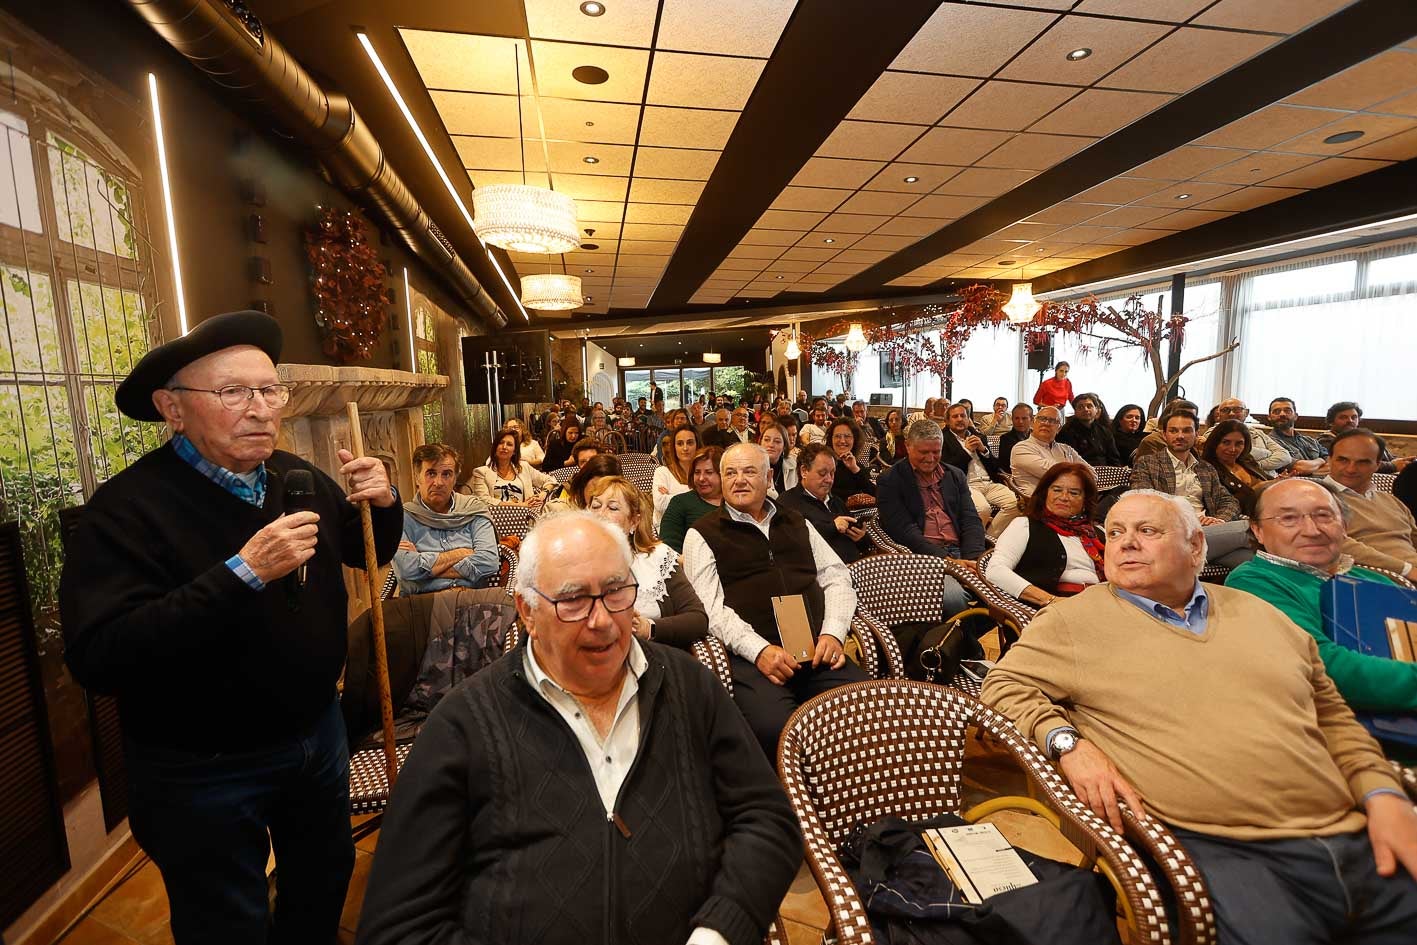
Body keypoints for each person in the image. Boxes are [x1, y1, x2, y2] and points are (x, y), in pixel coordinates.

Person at [61, 310, 402, 944]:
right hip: (200, 766)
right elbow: (100, 653)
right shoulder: (125, 509)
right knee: (226, 919)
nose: (261, 409)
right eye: (233, 392)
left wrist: (383, 503)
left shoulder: (295, 477)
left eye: (270, 390)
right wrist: (242, 573)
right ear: (172, 408)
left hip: (314, 736)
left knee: (322, 880)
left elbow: (369, 550)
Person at [982, 490, 1417, 945]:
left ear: (1195, 547)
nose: (1126, 543)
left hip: (1354, 830)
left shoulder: (1260, 614)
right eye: (1114, 533)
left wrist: (1382, 792)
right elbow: (1003, 687)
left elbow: (1332, 716)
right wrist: (1068, 743)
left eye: (1147, 531)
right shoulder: (1071, 622)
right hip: (1224, 849)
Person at [355, 512, 800, 945]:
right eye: (572, 600)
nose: (602, 619)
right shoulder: (463, 725)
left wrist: (720, 930)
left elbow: (767, 819)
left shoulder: (688, 688)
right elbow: (399, 925)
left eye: (616, 592)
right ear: (526, 611)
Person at [682, 443, 869, 756]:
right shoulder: (702, 534)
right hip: (753, 659)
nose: (739, 479)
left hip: (816, 650)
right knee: (776, 729)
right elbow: (711, 610)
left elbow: (837, 577)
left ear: (769, 477)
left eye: (749, 471)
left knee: (861, 707)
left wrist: (833, 633)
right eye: (730, 473)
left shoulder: (796, 521)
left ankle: (850, 794)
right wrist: (760, 651)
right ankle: (789, 799)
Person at [1226, 478, 1417, 752]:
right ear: (1258, 531)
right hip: (1354, 743)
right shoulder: (1255, 581)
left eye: (1324, 516)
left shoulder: (1373, 580)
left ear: (1345, 527)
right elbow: (1323, 666)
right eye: (1289, 519)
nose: (1312, 530)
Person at [584, 477, 708, 648]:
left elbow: (698, 619)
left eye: (612, 507)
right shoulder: (570, 562)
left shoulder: (658, 558)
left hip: (652, 658)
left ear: (634, 522)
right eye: (595, 506)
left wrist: (649, 628)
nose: (600, 514)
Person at [1129, 411, 1252, 567]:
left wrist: (1220, 520)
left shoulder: (1205, 468)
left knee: (1251, 559)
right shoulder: (1148, 463)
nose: (1180, 436)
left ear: (1196, 434)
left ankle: (1201, 579)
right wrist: (1190, 519)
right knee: (1250, 529)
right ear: (1164, 434)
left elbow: (1229, 500)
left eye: (1187, 430)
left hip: (1206, 533)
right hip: (1171, 533)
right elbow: (1144, 501)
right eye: (1174, 431)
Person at [876, 419, 986, 585]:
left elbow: (970, 519)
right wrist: (949, 563)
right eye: (923, 452)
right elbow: (905, 531)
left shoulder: (955, 475)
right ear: (908, 446)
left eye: (936, 452)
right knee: (954, 598)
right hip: (921, 556)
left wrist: (974, 559)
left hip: (961, 550)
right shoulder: (890, 480)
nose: (930, 458)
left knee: (1004, 584)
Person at [985, 463, 1104, 608]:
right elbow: (995, 571)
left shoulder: (1096, 534)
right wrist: (1049, 600)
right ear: (1045, 493)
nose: (1064, 497)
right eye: (1057, 490)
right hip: (1053, 610)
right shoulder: (1025, 526)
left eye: (1074, 493)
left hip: (1101, 604)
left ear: (1085, 501)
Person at [396, 444, 500, 594]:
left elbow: (489, 562)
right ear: (417, 477)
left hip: (471, 602)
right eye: (431, 473)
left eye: (446, 474)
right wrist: (461, 553)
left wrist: (423, 565)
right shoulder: (402, 518)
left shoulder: (473, 510)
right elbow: (406, 569)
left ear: (455, 478)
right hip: (424, 605)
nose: (438, 483)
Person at [1325, 429, 1417, 577]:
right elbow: (1332, 542)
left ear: (1377, 465)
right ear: (1329, 460)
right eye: (1343, 460)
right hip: (1377, 579)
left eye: (1363, 462)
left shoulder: (1391, 501)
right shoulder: (1318, 497)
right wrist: (1405, 569)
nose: (1351, 469)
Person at [780, 442, 868, 565]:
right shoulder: (788, 502)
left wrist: (860, 537)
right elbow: (793, 541)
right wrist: (832, 527)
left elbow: (863, 546)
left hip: (856, 568)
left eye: (832, 473)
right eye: (822, 473)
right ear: (804, 471)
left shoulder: (836, 501)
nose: (829, 479)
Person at [941, 401, 1020, 536]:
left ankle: (988, 537)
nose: (960, 419)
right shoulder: (943, 439)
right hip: (966, 484)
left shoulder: (977, 435)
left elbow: (996, 466)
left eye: (963, 416)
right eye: (955, 417)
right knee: (983, 509)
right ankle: (975, 540)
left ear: (968, 419)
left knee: (1016, 504)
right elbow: (947, 468)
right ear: (947, 421)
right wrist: (967, 451)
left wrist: (984, 450)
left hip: (989, 483)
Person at [1010, 406, 1091, 500]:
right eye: (1042, 419)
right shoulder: (1021, 448)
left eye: (1053, 421)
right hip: (1039, 503)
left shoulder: (1066, 449)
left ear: (1059, 429)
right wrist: (1079, 470)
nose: (1046, 423)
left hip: (1072, 499)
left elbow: (1092, 473)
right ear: (1032, 423)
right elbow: (1054, 473)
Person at [1200, 419, 1272, 517]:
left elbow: (1267, 479)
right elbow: (1227, 502)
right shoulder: (1207, 469)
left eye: (1239, 444)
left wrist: (1280, 480)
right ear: (1215, 443)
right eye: (1226, 442)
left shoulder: (1247, 460)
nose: (1232, 449)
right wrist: (1259, 488)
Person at [1202, 398, 1293, 474]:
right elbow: (1238, 454)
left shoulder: (1258, 433)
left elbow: (1285, 456)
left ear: (1246, 413)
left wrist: (1257, 466)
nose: (1231, 414)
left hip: (1270, 479)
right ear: (1218, 415)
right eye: (1226, 410)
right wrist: (1268, 453)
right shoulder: (1211, 434)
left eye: (1237, 409)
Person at [660, 446, 724, 554]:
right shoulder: (680, 503)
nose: (701, 478)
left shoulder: (736, 503)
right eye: (697, 472)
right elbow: (668, 548)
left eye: (709, 472)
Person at [467, 428, 555, 507]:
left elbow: (550, 480)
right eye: (501, 443)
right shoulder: (481, 472)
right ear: (495, 447)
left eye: (509, 444)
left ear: (514, 451)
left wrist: (543, 494)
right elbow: (484, 501)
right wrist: (521, 505)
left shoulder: (524, 467)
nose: (504, 447)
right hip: (495, 519)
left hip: (525, 518)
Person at [1319, 402, 1411, 473]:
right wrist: (1393, 466)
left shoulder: (1366, 439)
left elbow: (1390, 458)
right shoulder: (1326, 441)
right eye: (1343, 417)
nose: (1350, 421)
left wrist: (1404, 462)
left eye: (1354, 417)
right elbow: (1355, 464)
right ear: (1331, 421)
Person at [1266, 397, 1330, 474]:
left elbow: (1332, 463)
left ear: (1295, 416)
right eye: (1276, 411)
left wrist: (1312, 468)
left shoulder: (1311, 441)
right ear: (1269, 417)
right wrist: (1321, 460)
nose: (1282, 414)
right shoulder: (1267, 443)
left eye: (1287, 411)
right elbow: (1299, 468)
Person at [651, 425, 698, 530]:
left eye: (690, 443)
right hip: (667, 528)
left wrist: (671, 496)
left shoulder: (703, 473)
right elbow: (660, 504)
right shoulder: (662, 472)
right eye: (680, 443)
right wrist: (697, 496)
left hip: (697, 526)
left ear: (697, 445)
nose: (685, 448)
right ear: (674, 447)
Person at [1057, 392, 1122, 466]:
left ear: (1096, 409)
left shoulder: (1104, 431)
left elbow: (1114, 458)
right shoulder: (1066, 432)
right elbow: (1068, 459)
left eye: (1089, 406)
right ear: (1075, 411)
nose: (1085, 409)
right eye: (1080, 407)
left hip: (1106, 472)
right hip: (1080, 470)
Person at [1131, 398, 1200, 461]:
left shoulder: (1193, 442)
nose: (1180, 436)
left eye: (1191, 416)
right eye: (1181, 415)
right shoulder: (1152, 441)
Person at [827, 417, 875, 502]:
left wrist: (854, 469)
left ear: (854, 440)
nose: (842, 441)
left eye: (847, 436)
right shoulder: (824, 466)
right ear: (831, 439)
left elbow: (874, 492)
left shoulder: (858, 467)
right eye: (837, 436)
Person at [758, 422, 798, 499]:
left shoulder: (794, 465)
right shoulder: (752, 466)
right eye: (766, 440)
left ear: (784, 446)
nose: (771, 445)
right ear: (760, 443)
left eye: (777, 441)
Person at [998, 403, 1034, 473]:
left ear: (1032, 419)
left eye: (1024, 418)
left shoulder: (1038, 437)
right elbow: (1006, 466)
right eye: (1017, 418)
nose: (1020, 422)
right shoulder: (1005, 439)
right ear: (1012, 419)